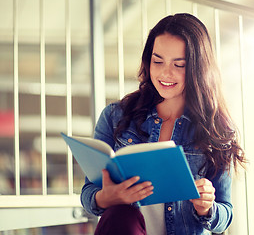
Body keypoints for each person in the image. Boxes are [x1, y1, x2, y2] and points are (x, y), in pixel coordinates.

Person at [81, 13, 245, 235]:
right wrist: (105, 197)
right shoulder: (115, 116)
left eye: (179, 65)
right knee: (120, 215)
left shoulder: (217, 129)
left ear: (198, 68)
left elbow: (224, 216)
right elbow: (88, 193)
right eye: (157, 61)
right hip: (127, 229)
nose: (165, 73)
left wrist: (208, 208)